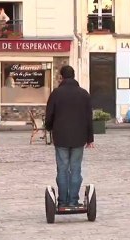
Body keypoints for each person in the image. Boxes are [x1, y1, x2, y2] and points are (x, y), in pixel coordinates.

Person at [45, 65, 94, 208]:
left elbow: (49, 115)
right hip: (79, 137)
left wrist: (49, 128)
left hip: (61, 137)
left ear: (61, 77)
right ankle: (73, 200)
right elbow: (88, 117)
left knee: (62, 169)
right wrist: (90, 138)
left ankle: (62, 201)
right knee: (76, 169)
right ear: (74, 76)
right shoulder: (84, 94)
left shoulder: (56, 93)